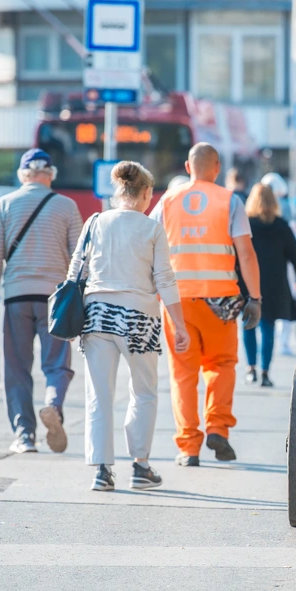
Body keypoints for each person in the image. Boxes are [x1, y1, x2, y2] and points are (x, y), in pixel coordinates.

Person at [71, 161, 190, 491]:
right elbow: (165, 279)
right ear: (147, 194)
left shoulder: (95, 222)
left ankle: (102, 471)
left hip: (97, 316)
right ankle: (140, 466)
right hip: (139, 318)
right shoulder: (151, 228)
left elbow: (74, 272)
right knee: (144, 392)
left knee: (99, 394)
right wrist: (179, 326)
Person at [149, 143, 262, 466]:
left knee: (183, 374)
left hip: (176, 301)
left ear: (188, 166)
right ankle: (218, 428)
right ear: (216, 167)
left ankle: (188, 448)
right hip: (220, 301)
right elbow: (246, 254)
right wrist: (255, 297)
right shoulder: (230, 201)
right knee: (221, 365)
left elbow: (151, 249)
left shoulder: (166, 201)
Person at [0, 148, 82, 454]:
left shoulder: (6, 204)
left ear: (23, 175)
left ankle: (25, 436)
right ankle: (53, 405)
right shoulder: (66, 206)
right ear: (50, 175)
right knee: (57, 365)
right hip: (56, 300)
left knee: (17, 368)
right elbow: (81, 258)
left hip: (17, 298)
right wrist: (82, 302)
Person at [243, 183, 296, 387]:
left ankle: (251, 368)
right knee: (268, 325)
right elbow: (294, 255)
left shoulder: (247, 225)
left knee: (249, 324)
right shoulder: (281, 225)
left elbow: (238, 254)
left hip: (249, 280)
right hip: (274, 282)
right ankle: (265, 372)